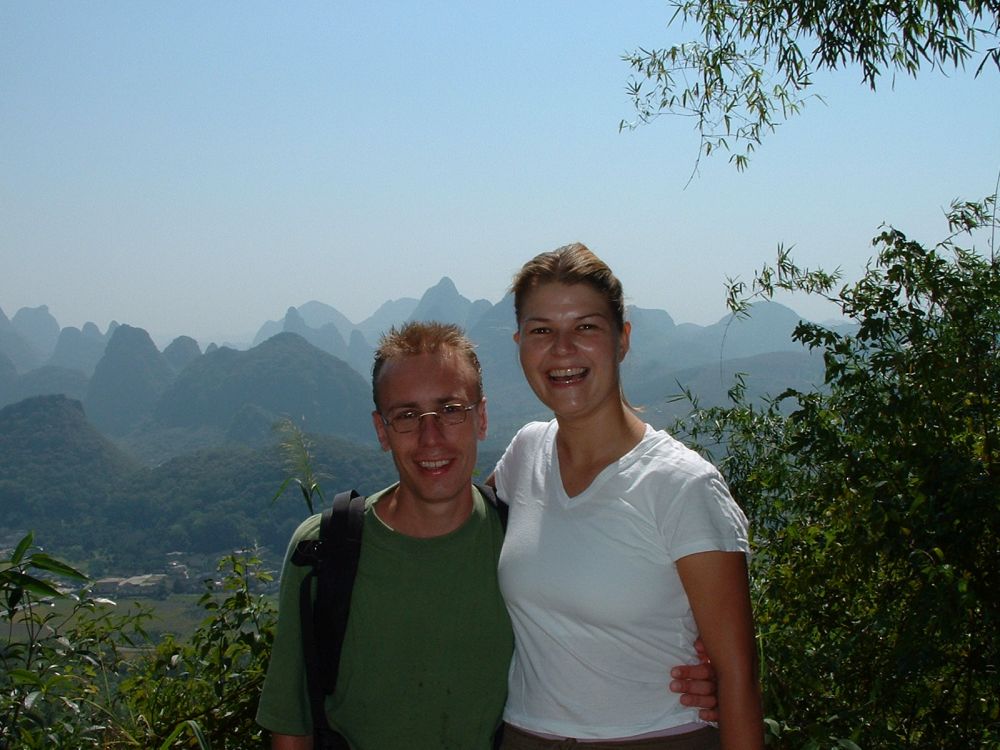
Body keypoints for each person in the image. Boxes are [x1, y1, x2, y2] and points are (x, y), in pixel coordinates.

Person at [257, 321, 719, 750]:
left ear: (482, 418)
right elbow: (292, 724)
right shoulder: (325, 549)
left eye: (450, 410)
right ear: (382, 430)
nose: (431, 437)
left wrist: (690, 668)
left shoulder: (521, 546)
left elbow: (598, 626)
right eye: (407, 416)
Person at [492, 244, 763, 749]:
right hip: (524, 735)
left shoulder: (683, 485)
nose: (563, 348)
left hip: (656, 737)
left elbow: (739, 679)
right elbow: (449, 521)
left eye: (586, 327)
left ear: (622, 339)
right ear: (520, 343)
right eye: (541, 330)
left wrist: (720, 681)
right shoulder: (524, 455)